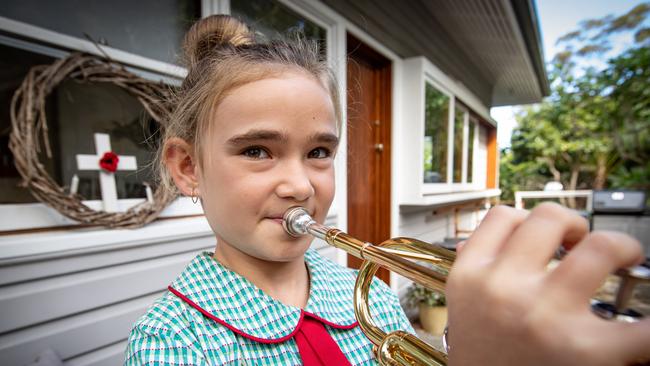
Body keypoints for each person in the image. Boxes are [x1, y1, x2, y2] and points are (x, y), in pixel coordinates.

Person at [125, 14, 650, 366]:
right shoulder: (170, 340)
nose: (300, 184)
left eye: (319, 152)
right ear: (189, 167)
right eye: (257, 151)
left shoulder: (371, 294)